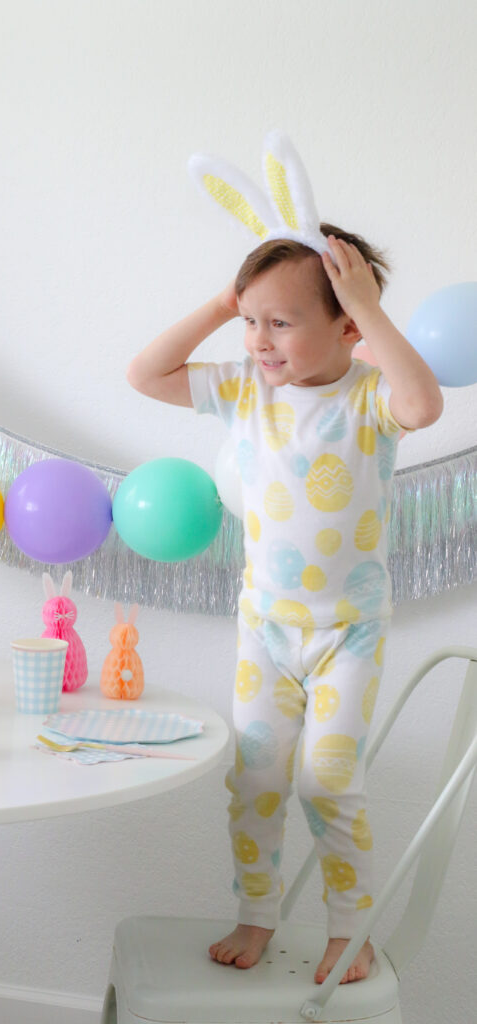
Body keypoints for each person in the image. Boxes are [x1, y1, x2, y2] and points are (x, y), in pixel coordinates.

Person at [127, 221, 443, 984]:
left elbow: (424, 404)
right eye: (250, 321)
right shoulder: (245, 391)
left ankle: (348, 927)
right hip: (265, 629)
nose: (259, 341)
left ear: (343, 322)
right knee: (255, 779)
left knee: (328, 780)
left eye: (280, 322)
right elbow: (145, 372)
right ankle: (257, 914)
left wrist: (368, 308)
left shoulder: (369, 398)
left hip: (347, 634)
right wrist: (221, 303)